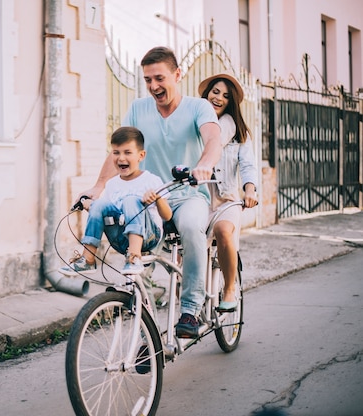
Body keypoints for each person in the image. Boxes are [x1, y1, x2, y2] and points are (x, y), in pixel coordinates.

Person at [80, 46, 222, 338]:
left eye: (160, 78)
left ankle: (190, 310)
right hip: (147, 201)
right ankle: (146, 332)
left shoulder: (199, 107)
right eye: (148, 79)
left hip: (186, 196)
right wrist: (98, 186)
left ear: (177, 74)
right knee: (135, 256)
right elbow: (121, 153)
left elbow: (213, 140)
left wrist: (204, 165)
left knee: (193, 229)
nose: (154, 86)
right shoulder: (138, 108)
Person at [59, 126, 173, 276]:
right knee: (99, 204)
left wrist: (157, 199)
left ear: (141, 155)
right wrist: (91, 206)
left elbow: (167, 216)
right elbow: (107, 210)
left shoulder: (151, 180)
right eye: (116, 152)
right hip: (120, 239)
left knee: (131, 201)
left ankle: (134, 257)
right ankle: (88, 259)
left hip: (149, 237)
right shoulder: (112, 184)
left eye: (128, 153)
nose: (121, 158)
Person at [198, 72, 259, 311]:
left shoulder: (238, 133)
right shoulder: (195, 125)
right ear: (206, 94)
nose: (219, 98)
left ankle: (230, 289)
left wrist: (250, 190)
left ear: (230, 102)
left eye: (225, 95)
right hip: (199, 199)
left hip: (226, 201)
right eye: (215, 92)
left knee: (223, 230)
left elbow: (248, 166)